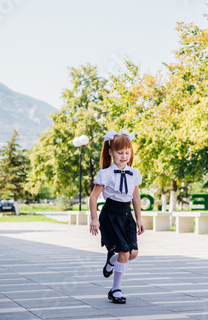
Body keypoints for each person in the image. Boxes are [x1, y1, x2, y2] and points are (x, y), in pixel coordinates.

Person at [89, 129, 145, 304]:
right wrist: (94, 219)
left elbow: (136, 197)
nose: (124, 156)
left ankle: (112, 259)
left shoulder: (134, 173)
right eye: (120, 152)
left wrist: (139, 219)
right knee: (125, 253)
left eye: (127, 152)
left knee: (133, 253)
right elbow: (93, 197)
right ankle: (115, 290)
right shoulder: (105, 174)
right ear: (111, 152)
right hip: (111, 216)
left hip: (127, 216)